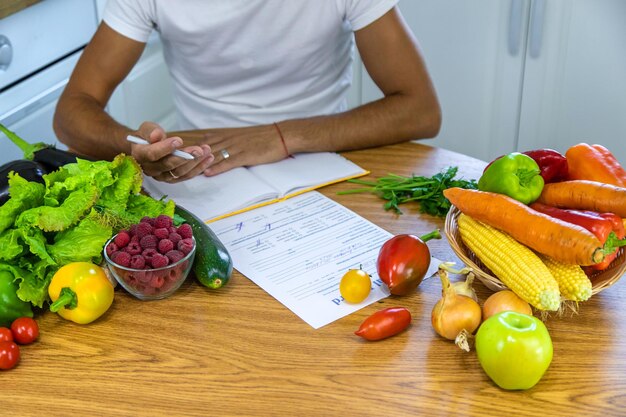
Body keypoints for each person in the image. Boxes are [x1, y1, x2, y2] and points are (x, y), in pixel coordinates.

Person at [53, 0, 441, 184]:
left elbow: (420, 109)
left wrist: (282, 135)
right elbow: (72, 110)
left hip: (323, 161)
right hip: (199, 170)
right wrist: (136, 145)